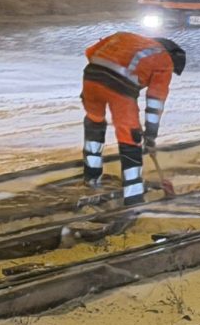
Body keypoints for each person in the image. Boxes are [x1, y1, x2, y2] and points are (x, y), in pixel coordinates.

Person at [80, 32, 187, 206]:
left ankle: (91, 182)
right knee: (130, 138)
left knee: (94, 125)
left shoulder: (125, 37)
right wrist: (150, 135)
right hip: (120, 89)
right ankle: (134, 198)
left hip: (91, 78)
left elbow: (90, 52)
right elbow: (155, 101)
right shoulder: (164, 59)